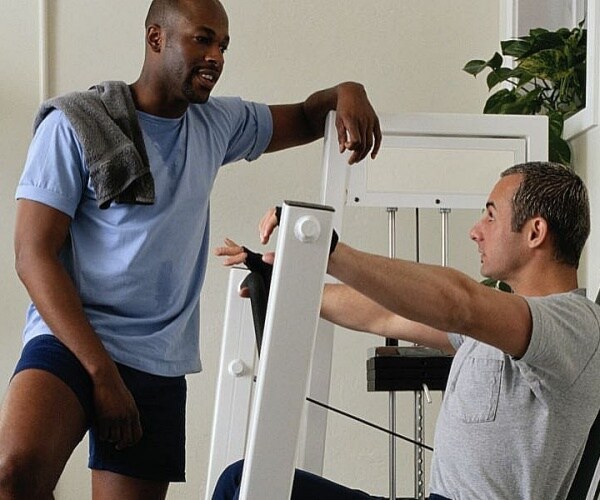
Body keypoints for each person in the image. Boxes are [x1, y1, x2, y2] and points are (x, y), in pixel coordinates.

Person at [0, 0, 382, 498]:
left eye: (223, 45)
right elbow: (33, 256)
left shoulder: (217, 124)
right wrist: (101, 373)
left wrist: (346, 91)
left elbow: (308, 117)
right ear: (156, 38)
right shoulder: (74, 125)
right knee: (13, 472)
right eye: (202, 39)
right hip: (71, 339)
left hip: (155, 358)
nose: (217, 56)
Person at [213, 161, 600, 499]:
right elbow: (380, 315)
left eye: (490, 216)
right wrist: (288, 279)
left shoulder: (573, 325)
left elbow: (459, 303)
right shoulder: (503, 325)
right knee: (243, 483)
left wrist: (325, 249)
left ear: (535, 233)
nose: (475, 231)